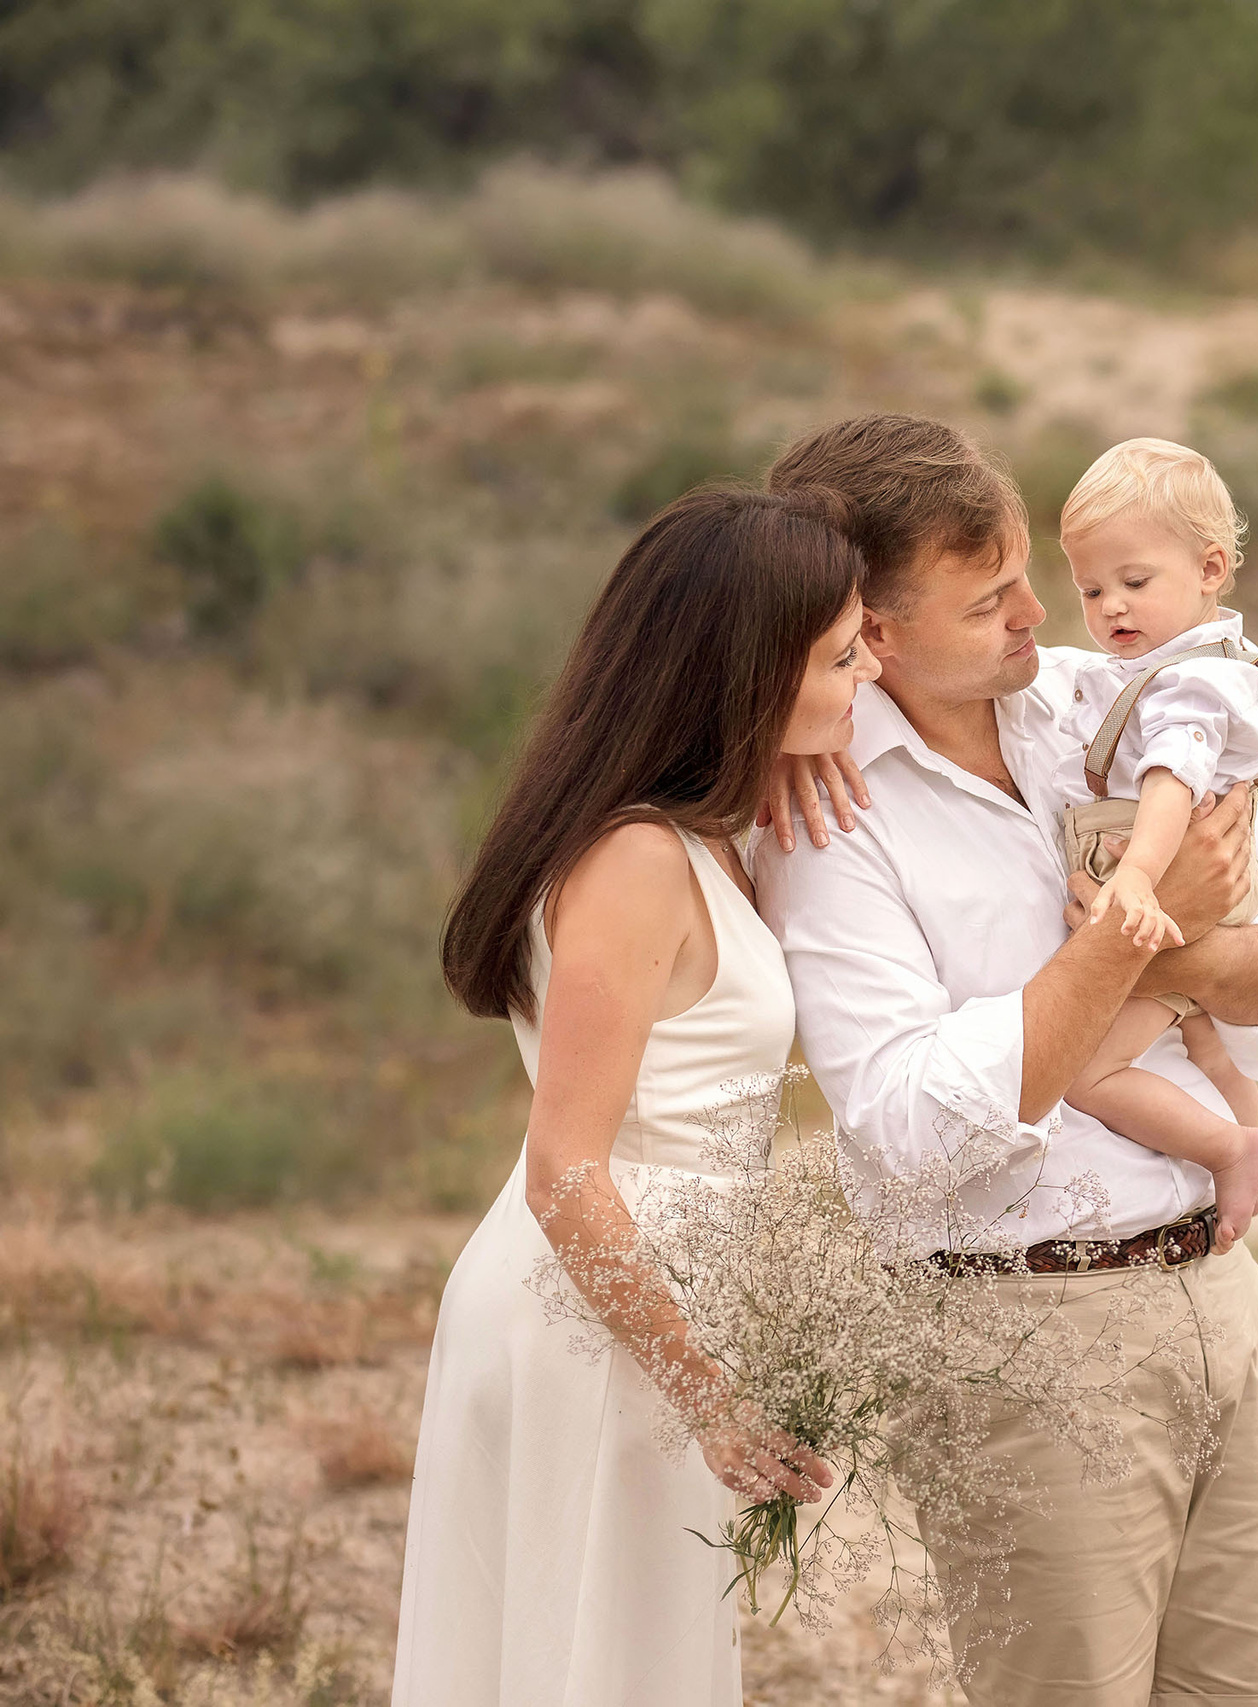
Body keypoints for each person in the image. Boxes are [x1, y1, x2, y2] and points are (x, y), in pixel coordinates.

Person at [755, 413, 1258, 1702]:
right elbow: (909, 1131)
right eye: (987, 600)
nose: (1039, 615)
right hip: (1022, 1342)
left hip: (1220, 1293)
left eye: (1029, 576)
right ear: (874, 631)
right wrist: (1135, 942)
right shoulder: (827, 817)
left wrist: (1179, 950)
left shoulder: (1098, 701)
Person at [394, 487, 873, 1707]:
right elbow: (565, 1165)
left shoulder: (704, 839)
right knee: (589, 1666)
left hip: (654, 1297)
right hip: (600, 1310)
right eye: (839, 656)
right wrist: (711, 1394)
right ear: (748, 674)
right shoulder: (637, 860)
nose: (868, 671)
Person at [1051, 437, 1258, 1250]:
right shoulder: (1196, 662)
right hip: (1198, 882)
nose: (1111, 607)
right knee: (1205, 1041)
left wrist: (1137, 876)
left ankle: (1231, 1149)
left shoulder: (1191, 680)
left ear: (1209, 568)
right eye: (1092, 589)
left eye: (1135, 582)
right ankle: (1245, 1151)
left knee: (1087, 1071)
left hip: (1170, 881)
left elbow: (1172, 776)